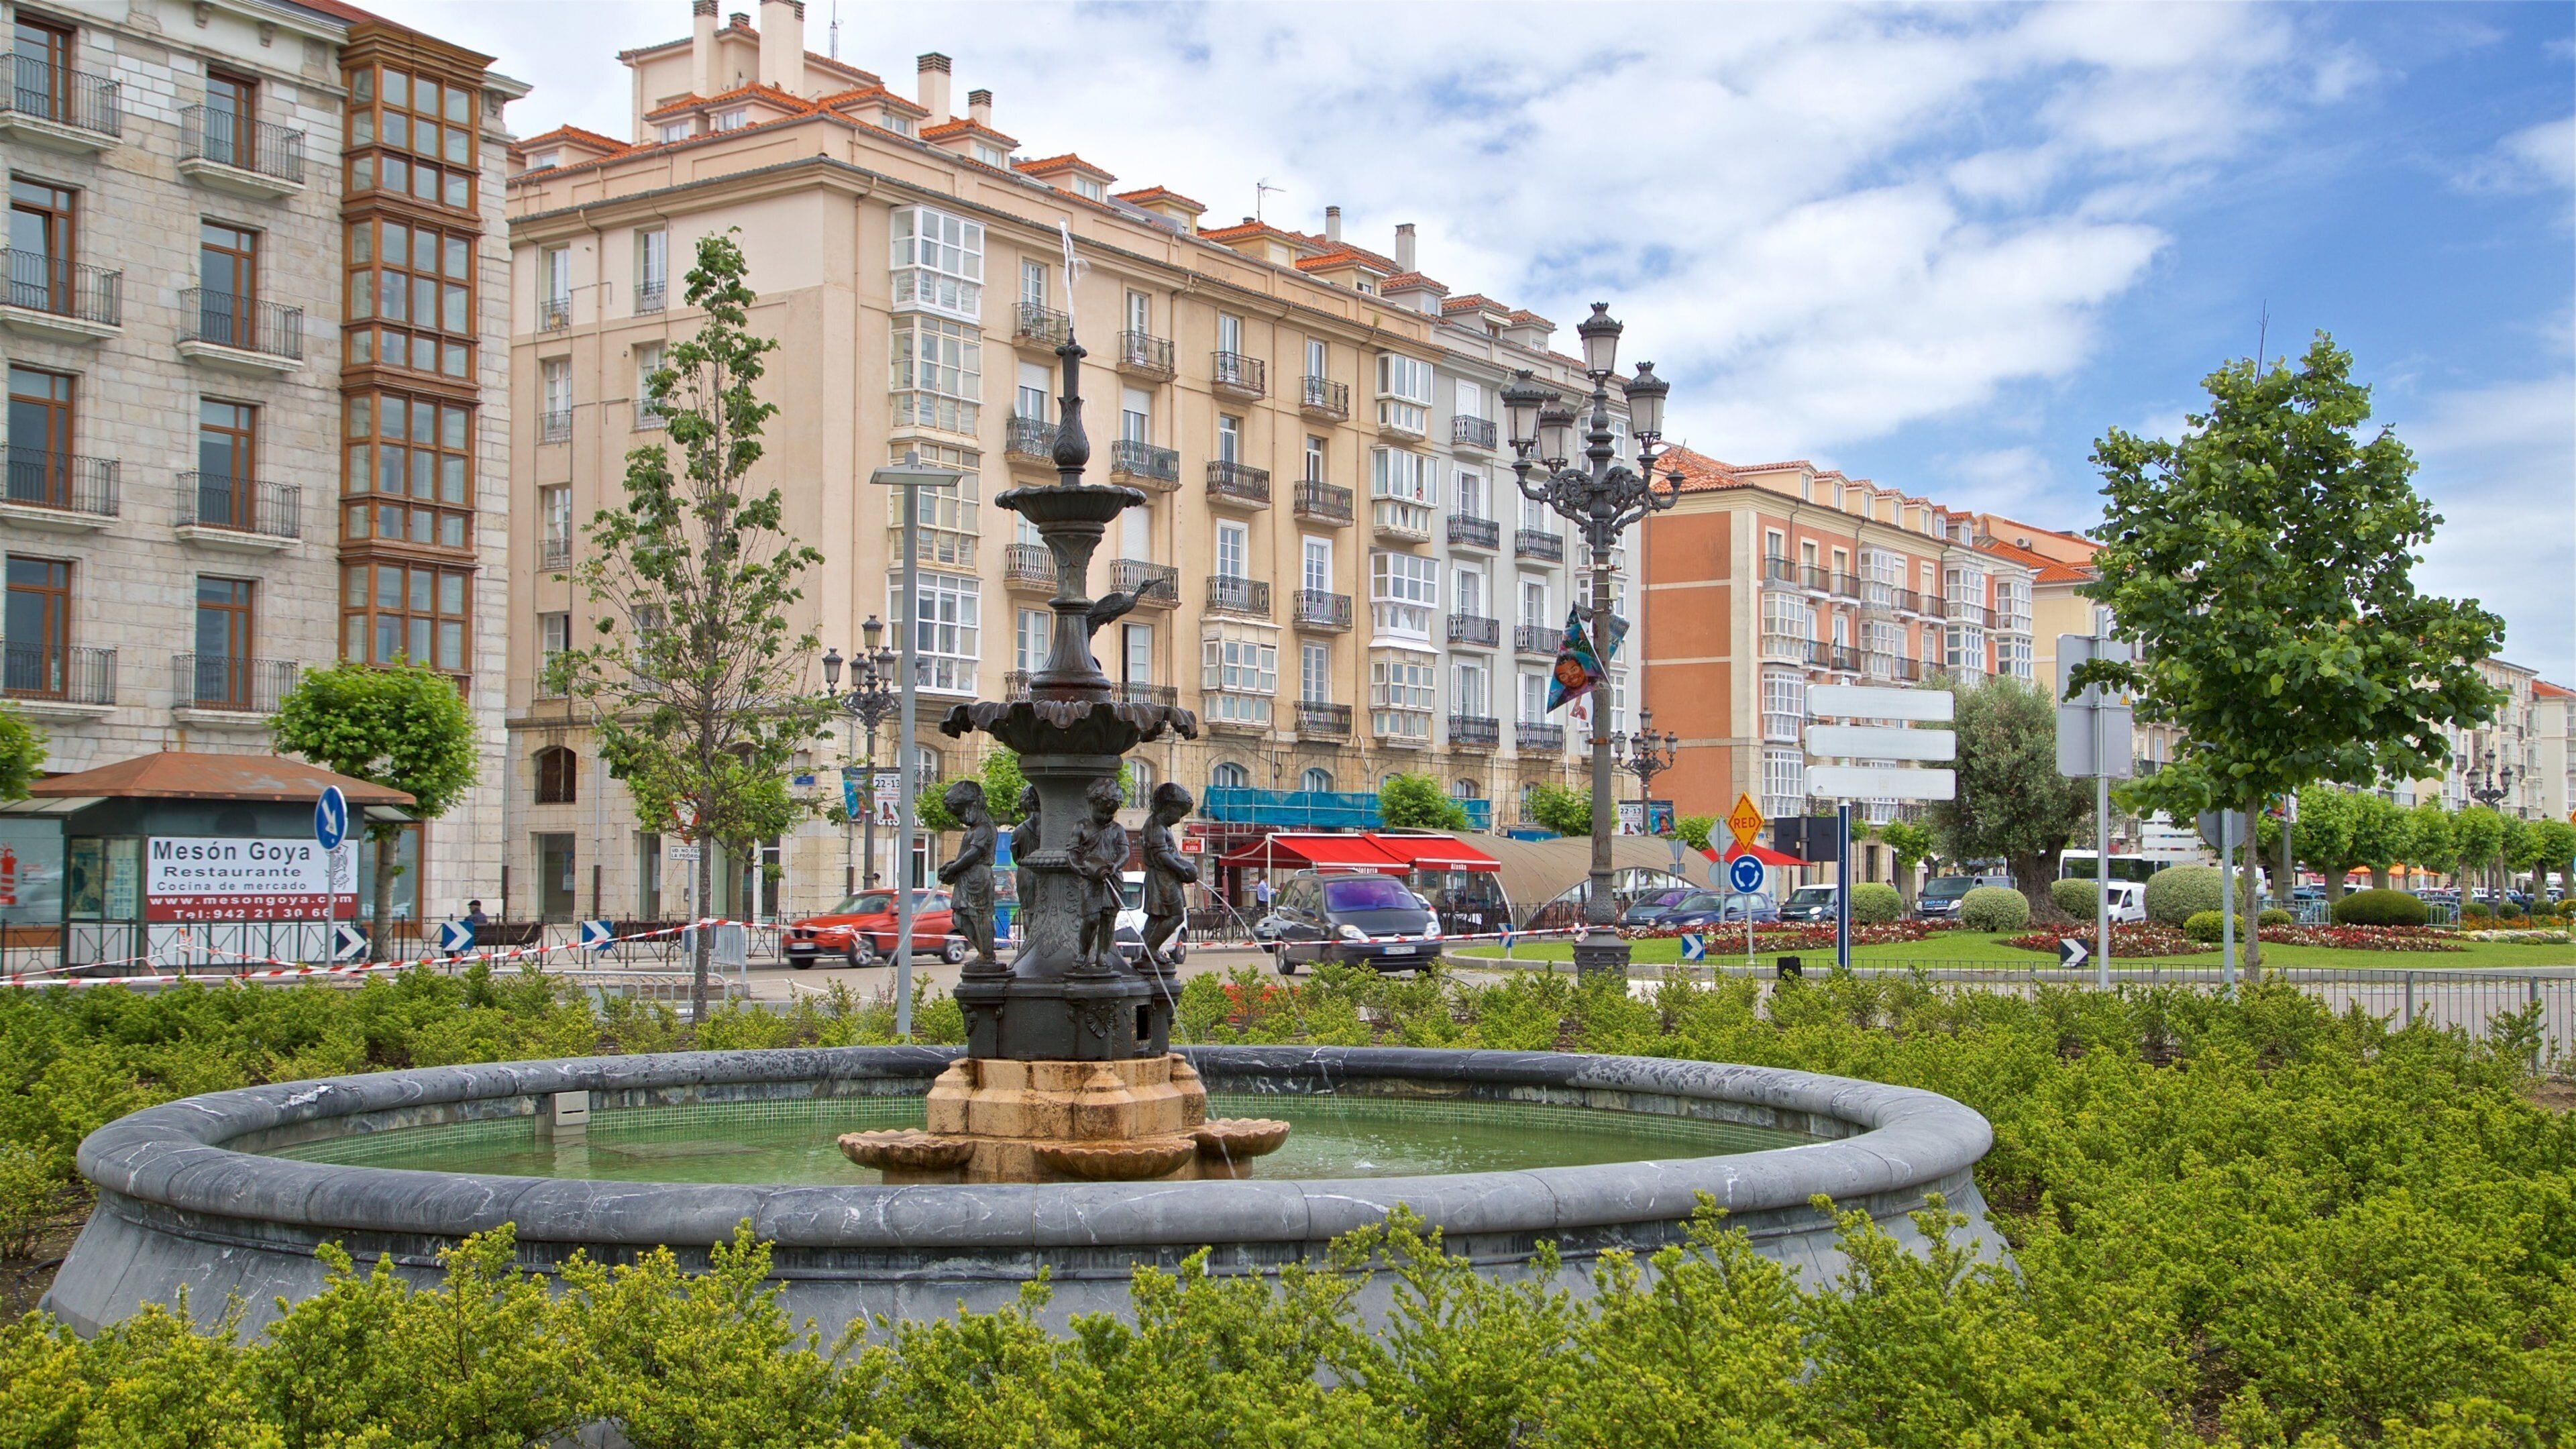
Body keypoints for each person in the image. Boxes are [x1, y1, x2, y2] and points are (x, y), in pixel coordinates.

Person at [1067, 776, 1129, 972]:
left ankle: (1102, 954)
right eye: (1101, 811)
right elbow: (1072, 851)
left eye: (1110, 813)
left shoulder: (1117, 830)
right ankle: (1083, 953)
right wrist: (1078, 867)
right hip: (1091, 879)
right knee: (1091, 918)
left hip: (1112, 877)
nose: (1105, 817)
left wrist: (1116, 865)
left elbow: (1125, 852)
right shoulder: (1082, 827)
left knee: (1109, 918)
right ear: (1091, 804)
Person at [936, 780, 998, 971]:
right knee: (960, 919)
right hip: (967, 877)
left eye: (962, 813)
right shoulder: (972, 830)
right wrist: (952, 866)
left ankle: (987, 955)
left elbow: (974, 854)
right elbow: (965, 855)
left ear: (974, 805)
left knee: (979, 915)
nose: (961, 819)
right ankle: (982, 950)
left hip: (978, 877)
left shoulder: (984, 828)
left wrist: (955, 868)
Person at [1138, 782, 1197, 972]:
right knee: (1176, 915)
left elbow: (1170, 854)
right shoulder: (1156, 826)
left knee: (1156, 917)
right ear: (1168, 808)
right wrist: (1181, 869)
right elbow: (1162, 855)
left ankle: (1147, 951)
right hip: (1162, 879)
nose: (1179, 819)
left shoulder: (1160, 826)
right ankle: (1152, 949)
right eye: (1179, 814)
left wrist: (1185, 865)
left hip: (1165, 879)